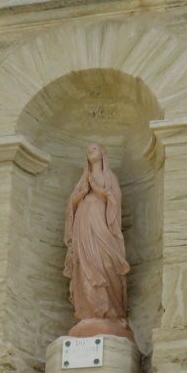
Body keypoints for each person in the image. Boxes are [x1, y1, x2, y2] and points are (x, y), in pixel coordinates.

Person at [63, 143, 134, 342]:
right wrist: (81, 194)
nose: (91, 151)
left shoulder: (109, 177)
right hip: (84, 228)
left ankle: (111, 311)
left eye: (95, 148)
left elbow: (115, 199)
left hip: (102, 228)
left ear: (103, 153)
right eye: (88, 150)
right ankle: (88, 312)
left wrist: (100, 192)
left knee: (106, 264)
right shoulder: (82, 180)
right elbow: (71, 204)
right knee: (85, 266)